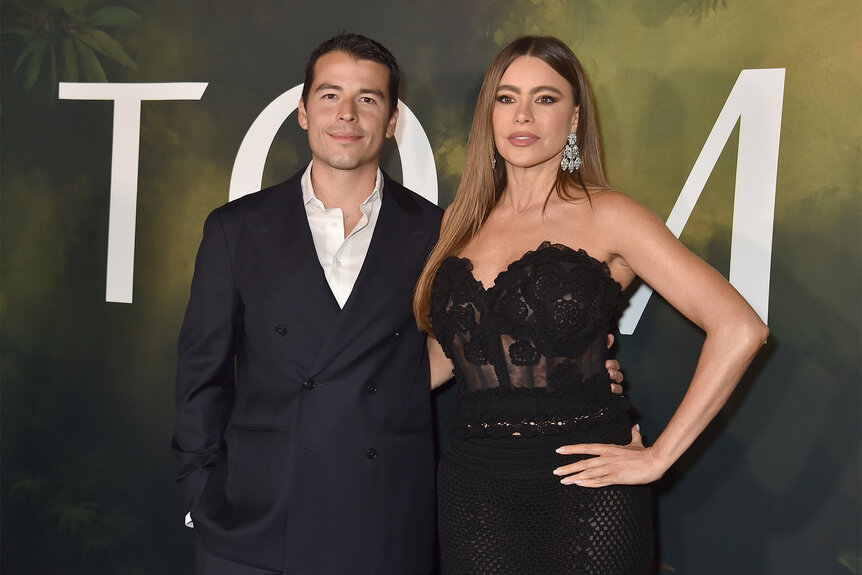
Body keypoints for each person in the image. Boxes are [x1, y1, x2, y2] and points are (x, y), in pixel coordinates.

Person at [172, 31, 629, 575]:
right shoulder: (236, 229)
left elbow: (482, 341)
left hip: (384, 516)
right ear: (301, 111)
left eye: (368, 99)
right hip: (256, 519)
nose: (347, 115)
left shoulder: (446, 233)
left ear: (391, 121)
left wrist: (575, 373)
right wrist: (201, 497)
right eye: (329, 95)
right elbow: (201, 376)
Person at [414, 36, 769, 575]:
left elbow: (739, 328)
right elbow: (449, 358)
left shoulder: (610, 215)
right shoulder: (457, 224)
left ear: (574, 118)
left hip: (585, 484)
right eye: (507, 98)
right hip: (473, 486)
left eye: (546, 98)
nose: (524, 115)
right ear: (489, 114)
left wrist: (659, 457)